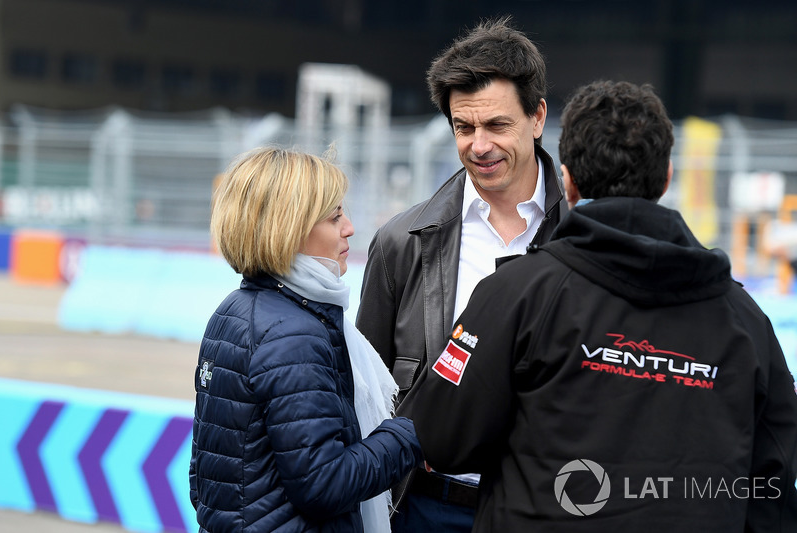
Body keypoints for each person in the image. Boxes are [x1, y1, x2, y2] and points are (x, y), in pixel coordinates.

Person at [402, 80, 797, 532]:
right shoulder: (747, 321)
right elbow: (774, 484)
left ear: (566, 179)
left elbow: (441, 437)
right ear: (667, 178)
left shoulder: (516, 294)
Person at [356, 17, 567, 531]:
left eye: (497, 125)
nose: (479, 145)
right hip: (422, 504)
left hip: (543, 507)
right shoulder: (400, 244)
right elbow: (364, 392)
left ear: (537, 117)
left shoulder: (582, 239)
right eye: (463, 127)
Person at [189, 147, 424, 533]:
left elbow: (204, 480)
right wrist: (410, 433)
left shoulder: (233, 310)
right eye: (335, 217)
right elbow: (324, 484)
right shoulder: (292, 332)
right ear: (289, 228)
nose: (349, 227)